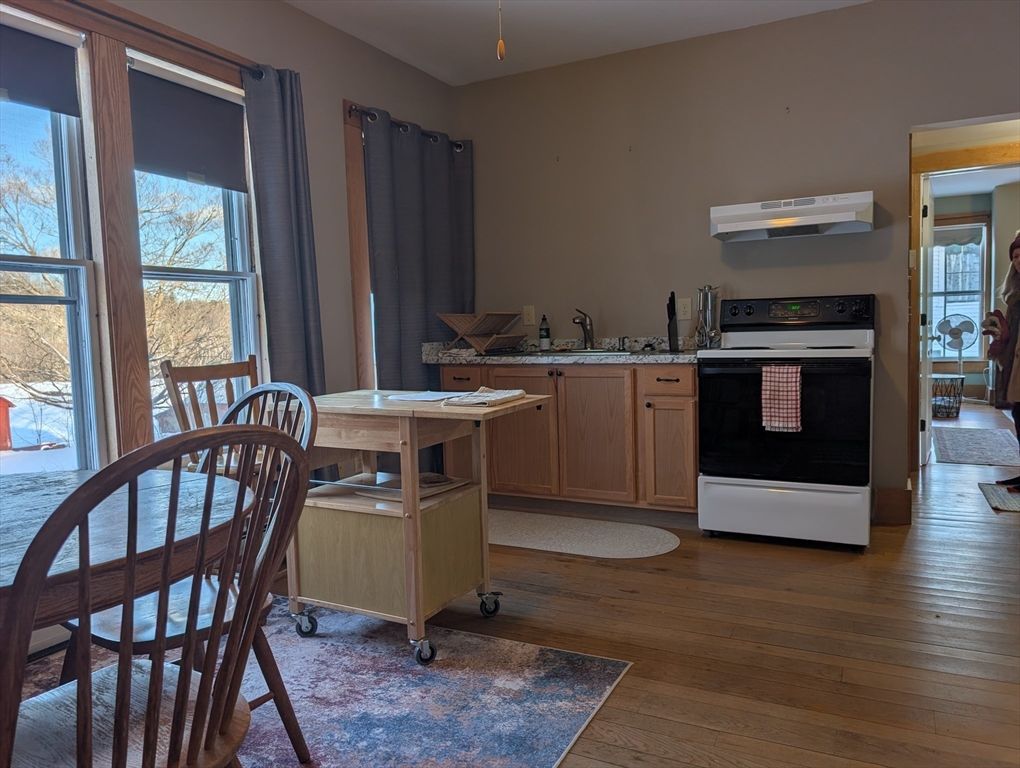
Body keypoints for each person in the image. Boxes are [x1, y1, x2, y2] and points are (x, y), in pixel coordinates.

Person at [987, 231, 1020, 488]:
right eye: (1015, 256)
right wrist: (999, 333)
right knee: (1019, 418)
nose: (1018, 260)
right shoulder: (1014, 295)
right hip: (1014, 361)